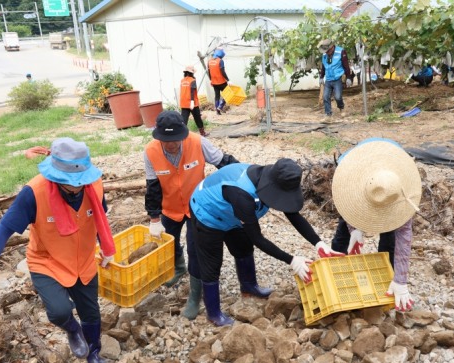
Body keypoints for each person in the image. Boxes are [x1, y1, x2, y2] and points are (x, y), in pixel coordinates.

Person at [0, 138, 115, 363]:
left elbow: (100, 217)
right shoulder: (34, 193)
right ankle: (72, 329)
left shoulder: (94, 184)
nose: (76, 187)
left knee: (91, 312)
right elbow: (4, 229)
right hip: (47, 261)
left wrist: (106, 248)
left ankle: (93, 353)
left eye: (81, 181)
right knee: (59, 312)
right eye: (69, 182)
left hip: (84, 259)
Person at [189, 158, 342, 326]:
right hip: (208, 213)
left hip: (234, 214)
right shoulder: (242, 194)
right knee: (212, 263)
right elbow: (257, 238)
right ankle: (214, 314)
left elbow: (293, 214)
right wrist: (292, 260)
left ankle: (249, 287)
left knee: (243, 248)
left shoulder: (274, 179)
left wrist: (319, 244)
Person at [144, 110, 239, 319]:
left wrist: (245, 175)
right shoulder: (150, 151)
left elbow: (224, 162)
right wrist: (154, 217)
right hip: (170, 207)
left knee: (195, 249)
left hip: (197, 206)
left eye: (175, 139)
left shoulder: (198, 142)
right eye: (166, 140)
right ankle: (179, 268)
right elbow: (152, 186)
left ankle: (195, 296)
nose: (171, 144)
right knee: (168, 243)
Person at [330, 138, 422, 312]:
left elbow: (404, 242)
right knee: (343, 234)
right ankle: (335, 271)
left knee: (390, 238)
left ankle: (388, 280)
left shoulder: (400, 193)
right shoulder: (348, 176)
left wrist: (401, 280)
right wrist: (354, 228)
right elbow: (346, 205)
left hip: (391, 176)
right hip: (358, 172)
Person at [318, 39, 352, 122]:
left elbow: (346, 66)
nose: (326, 52)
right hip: (328, 79)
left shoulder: (341, 52)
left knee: (338, 97)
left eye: (328, 51)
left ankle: (341, 108)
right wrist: (321, 77)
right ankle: (328, 115)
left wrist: (348, 77)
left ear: (332, 47)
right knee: (325, 97)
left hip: (338, 78)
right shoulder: (324, 54)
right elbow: (323, 66)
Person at [179, 65, 208, 137]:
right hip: (192, 103)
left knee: (184, 120)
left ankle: (181, 135)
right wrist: (192, 102)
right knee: (197, 118)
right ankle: (202, 133)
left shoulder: (182, 81)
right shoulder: (192, 80)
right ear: (191, 72)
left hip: (184, 103)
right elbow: (192, 91)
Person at [208, 48, 229, 114]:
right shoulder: (220, 61)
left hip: (214, 82)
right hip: (222, 82)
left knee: (217, 96)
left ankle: (218, 111)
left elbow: (209, 72)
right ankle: (220, 106)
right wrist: (228, 79)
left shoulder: (209, 61)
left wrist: (211, 80)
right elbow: (222, 71)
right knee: (227, 94)